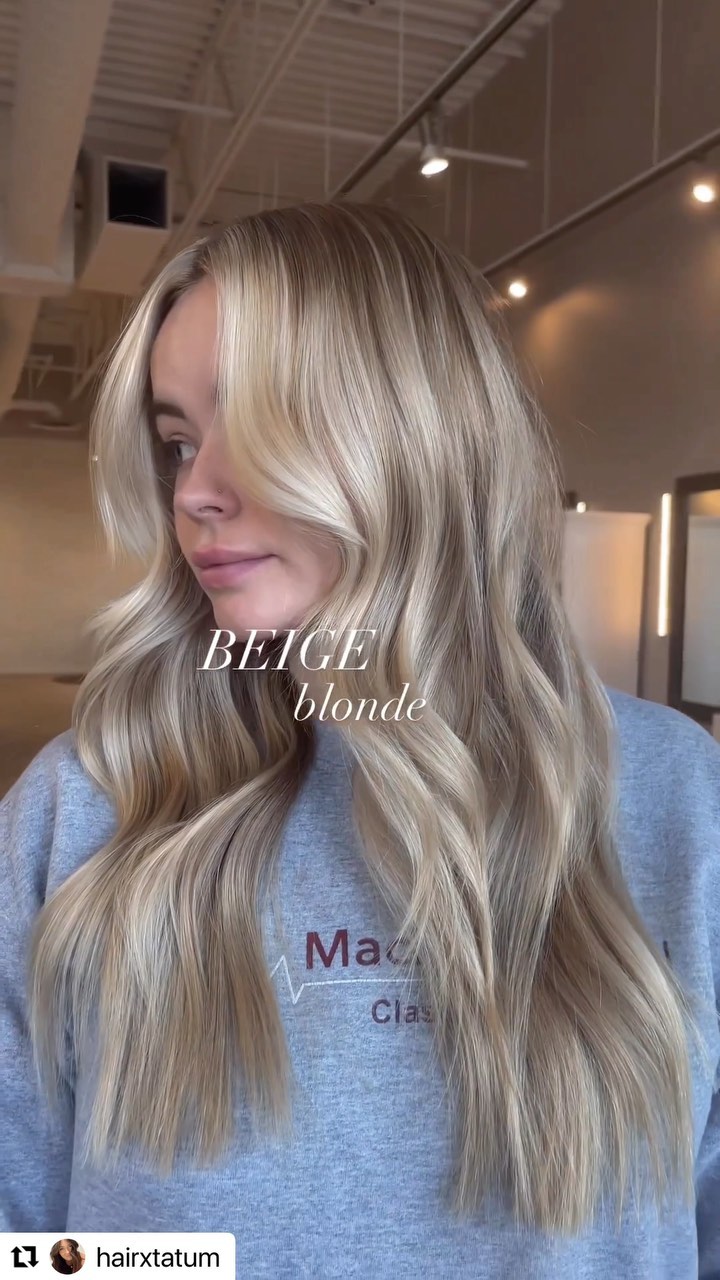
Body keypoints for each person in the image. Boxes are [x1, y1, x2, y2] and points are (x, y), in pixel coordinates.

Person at [0, 203, 718, 1279]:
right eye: (178, 442)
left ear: (417, 431)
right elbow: (29, 1245)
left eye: (258, 425)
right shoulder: (89, 801)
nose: (194, 491)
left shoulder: (675, 796)